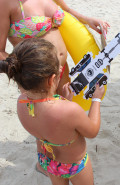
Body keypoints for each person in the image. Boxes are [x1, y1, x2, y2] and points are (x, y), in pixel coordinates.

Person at [0, 38, 105, 185]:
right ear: (52, 80)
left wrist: (64, 101)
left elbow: (46, 119)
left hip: (48, 162)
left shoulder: (21, 103)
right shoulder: (70, 110)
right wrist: (96, 100)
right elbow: (92, 131)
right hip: (74, 165)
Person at [0, 0, 110, 95]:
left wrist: (88, 20)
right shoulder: (6, 3)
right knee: (46, 116)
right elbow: (0, 51)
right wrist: (26, 73)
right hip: (38, 78)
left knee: (66, 113)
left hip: (61, 70)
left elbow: (67, 10)